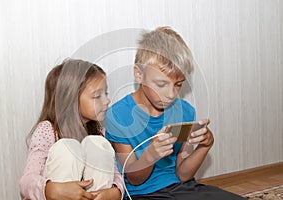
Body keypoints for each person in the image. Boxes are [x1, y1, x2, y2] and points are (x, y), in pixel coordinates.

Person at [105, 27, 245, 199]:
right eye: (161, 84)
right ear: (139, 74)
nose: (171, 94)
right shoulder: (117, 116)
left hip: (180, 188)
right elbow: (134, 180)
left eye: (178, 84)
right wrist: (151, 154)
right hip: (141, 194)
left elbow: (183, 175)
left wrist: (204, 146)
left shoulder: (185, 111)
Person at [20, 59, 124, 200]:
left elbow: (115, 174)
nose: (107, 101)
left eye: (106, 93)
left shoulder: (100, 134)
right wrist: (51, 190)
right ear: (71, 99)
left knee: (98, 146)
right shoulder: (48, 130)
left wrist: (115, 191)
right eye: (97, 96)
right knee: (67, 148)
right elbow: (27, 181)